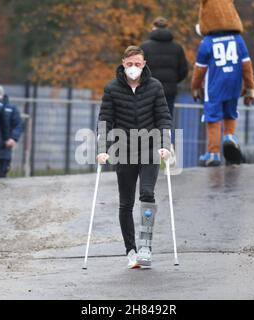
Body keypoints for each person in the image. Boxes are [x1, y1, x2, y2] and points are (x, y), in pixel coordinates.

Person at [96, 46, 172, 269]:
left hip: (150, 148)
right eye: (129, 64)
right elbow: (105, 121)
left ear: (144, 64)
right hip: (124, 150)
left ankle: (146, 246)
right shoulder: (111, 89)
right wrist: (102, 149)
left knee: (147, 193)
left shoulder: (155, 86)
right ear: (123, 63)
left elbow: (164, 118)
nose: (133, 68)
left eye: (138, 64)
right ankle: (131, 250)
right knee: (126, 202)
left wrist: (165, 145)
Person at [191, 0, 254, 167]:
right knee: (230, 113)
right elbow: (246, 65)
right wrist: (250, 87)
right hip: (234, 85)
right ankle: (229, 137)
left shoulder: (207, 42)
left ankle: (213, 153)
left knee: (213, 118)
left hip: (214, 86)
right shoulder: (238, 39)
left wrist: (195, 86)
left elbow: (199, 70)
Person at [140, 16, 189, 157]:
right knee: (166, 120)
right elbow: (183, 70)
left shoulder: (144, 47)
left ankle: (148, 151)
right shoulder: (177, 48)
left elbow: (139, 68)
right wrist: (173, 81)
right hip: (169, 91)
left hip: (148, 90)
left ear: (153, 28)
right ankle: (167, 150)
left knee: (147, 119)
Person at [0, 85, 25, 178]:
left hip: (4, 147)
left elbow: (18, 125)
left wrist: (13, 138)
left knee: (2, 173)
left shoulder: (10, 109)